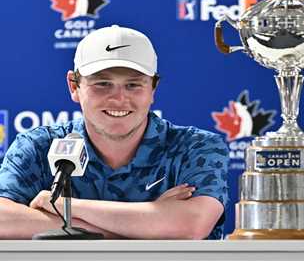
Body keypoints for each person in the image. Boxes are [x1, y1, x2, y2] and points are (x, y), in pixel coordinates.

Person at [0, 25, 229, 239]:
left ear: (153, 88)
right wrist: (151, 221)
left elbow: (192, 225)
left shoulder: (195, 147)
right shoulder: (39, 145)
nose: (119, 99)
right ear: (74, 86)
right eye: (102, 83)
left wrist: (63, 206)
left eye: (133, 85)